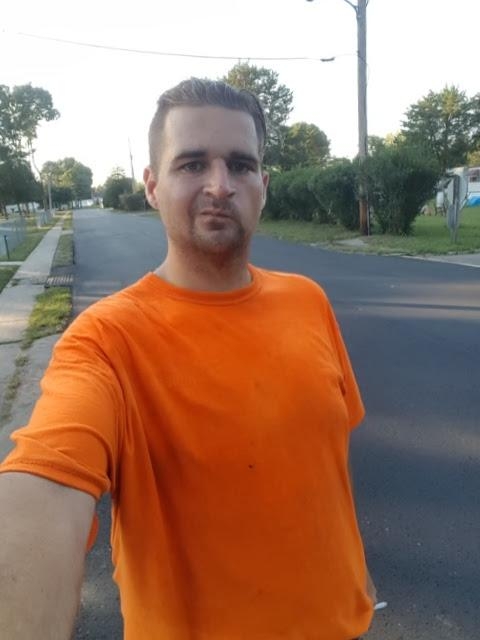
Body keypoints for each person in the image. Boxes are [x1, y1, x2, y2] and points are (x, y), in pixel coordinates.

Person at [0, 78, 377, 639]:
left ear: (264, 186)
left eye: (241, 165)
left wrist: (358, 585)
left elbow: (324, 470)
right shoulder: (105, 341)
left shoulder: (308, 301)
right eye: (193, 163)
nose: (220, 185)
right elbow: (44, 489)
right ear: (153, 185)